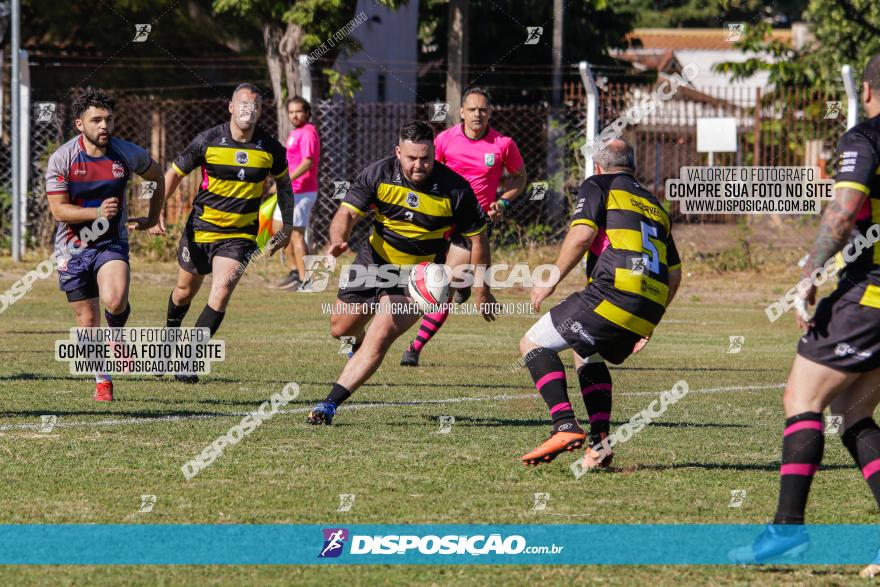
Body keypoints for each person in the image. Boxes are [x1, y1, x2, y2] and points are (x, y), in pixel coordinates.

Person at [729, 55, 880, 568]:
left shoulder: (865, 138)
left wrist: (809, 273)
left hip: (872, 296)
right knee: (854, 412)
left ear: (865, 87)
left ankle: (787, 530)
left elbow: (841, 212)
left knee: (802, 397)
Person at [306, 121, 497, 425]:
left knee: (380, 336)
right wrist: (337, 240)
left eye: (425, 158)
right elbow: (346, 213)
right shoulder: (378, 174)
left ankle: (328, 405)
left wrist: (481, 289)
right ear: (398, 152)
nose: (419, 165)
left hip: (416, 277)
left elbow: (477, 239)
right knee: (340, 328)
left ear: (434, 153)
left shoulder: (455, 189)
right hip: (374, 260)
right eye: (411, 158)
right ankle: (355, 344)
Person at [518, 139, 682, 466]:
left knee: (533, 343)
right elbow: (674, 276)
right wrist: (650, 323)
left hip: (613, 291)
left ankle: (563, 424)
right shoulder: (655, 206)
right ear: (633, 167)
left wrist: (548, 280)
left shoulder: (598, 184)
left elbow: (581, 235)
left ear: (598, 167)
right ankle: (601, 444)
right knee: (585, 351)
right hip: (649, 305)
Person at [153, 83, 295, 383]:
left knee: (222, 290)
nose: (249, 109)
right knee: (183, 293)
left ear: (260, 111)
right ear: (231, 107)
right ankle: (169, 339)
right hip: (201, 229)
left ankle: (189, 359)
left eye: (255, 105)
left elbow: (285, 185)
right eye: (243, 103)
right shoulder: (208, 140)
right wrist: (156, 212)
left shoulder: (271, 149)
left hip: (239, 236)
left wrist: (288, 225)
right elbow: (175, 174)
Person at [45, 90, 166, 401]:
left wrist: (153, 217)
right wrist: (96, 213)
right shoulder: (63, 158)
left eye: (109, 119)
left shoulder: (125, 153)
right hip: (72, 248)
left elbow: (157, 176)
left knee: (114, 300)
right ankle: (103, 379)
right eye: (96, 120)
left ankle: (116, 336)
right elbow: (59, 210)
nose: (104, 126)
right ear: (79, 124)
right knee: (87, 320)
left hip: (111, 243)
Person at [400, 87, 526, 366]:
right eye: (472, 109)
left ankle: (414, 348)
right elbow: (427, 172)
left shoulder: (502, 144)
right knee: (420, 279)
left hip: (472, 225)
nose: (478, 114)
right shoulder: (444, 140)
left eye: (483, 109)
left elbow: (519, 178)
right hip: (437, 219)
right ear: (461, 112)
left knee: (443, 284)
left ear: (490, 113)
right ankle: (463, 286)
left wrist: (502, 203)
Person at [274, 96, 321, 291]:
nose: (294, 115)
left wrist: (287, 179)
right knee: (279, 229)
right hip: (290, 190)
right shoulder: (295, 132)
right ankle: (295, 272)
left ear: (307, 113)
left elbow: (307, 162)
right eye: (291, 112)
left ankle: (307, 281)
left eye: (298, 111)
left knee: (296, 235)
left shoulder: (308, 132)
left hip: (302, 191)